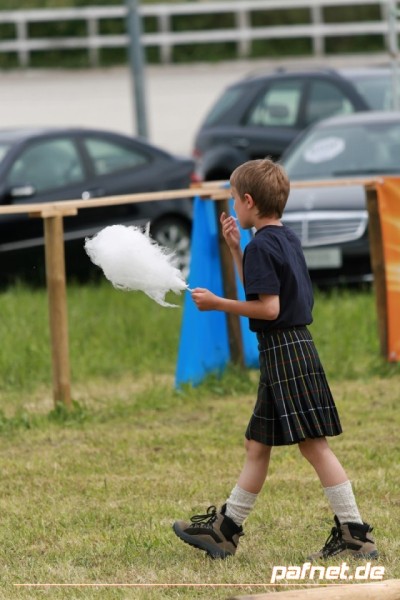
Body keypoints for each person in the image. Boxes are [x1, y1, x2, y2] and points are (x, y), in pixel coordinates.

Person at [172, 158, 378, 561]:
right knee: (257, 444)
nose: (234, 207)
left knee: (314, 446)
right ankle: (225, 531)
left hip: (285, 351)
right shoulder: (283, 239)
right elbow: (260, 289)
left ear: (249, 201)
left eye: (235, 199)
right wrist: (236, 249)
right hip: (289, 349)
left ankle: (354, 533)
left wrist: (218, 303)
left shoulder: (263, 246)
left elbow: (268, 308)